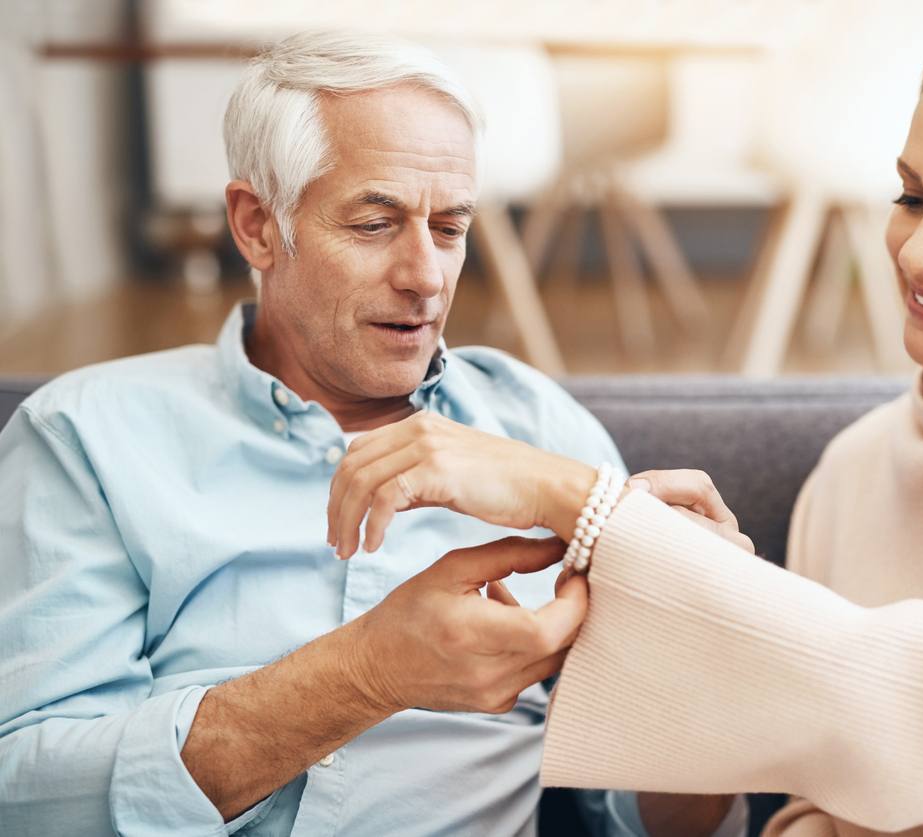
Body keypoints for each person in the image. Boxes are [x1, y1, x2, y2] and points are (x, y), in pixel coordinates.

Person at [325, 3, 923, 835]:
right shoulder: (854, 471)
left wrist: (580, 501)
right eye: (912, 197)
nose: (920, 248)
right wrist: (709, 609)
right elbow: (825, 805)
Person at [0, 30, 747, 837]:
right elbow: (30, 798)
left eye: (451, 229)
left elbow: (641, 815)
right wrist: (363, 674)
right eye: (374, 223)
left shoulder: (541, 431)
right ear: (257, 226)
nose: (426, 276)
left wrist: (703, 647)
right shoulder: (86, 438)